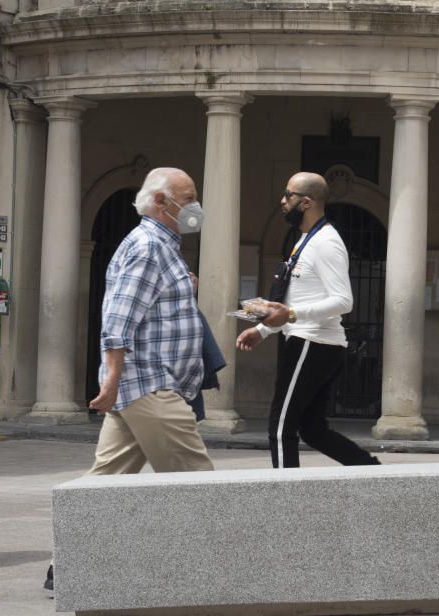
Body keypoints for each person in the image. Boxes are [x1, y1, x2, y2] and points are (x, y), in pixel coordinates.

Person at [44, 167, 214, 591]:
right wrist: (113, 379)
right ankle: (221, 567)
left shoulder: (161, 246)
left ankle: (63, 564)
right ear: (161, 202)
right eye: (187, 198)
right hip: (150, 385)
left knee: (108, 480)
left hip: (142, 385)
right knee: (203, 485)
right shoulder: (148, 247)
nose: (195, 207)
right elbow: (118, 320)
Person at [236, 172, 379, 469]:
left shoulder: (326, 242)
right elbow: (294, 301)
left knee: (280, 427)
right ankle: (370, 470)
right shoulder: (304, 240)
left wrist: (289, 314)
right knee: (312, 429)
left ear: (306, 201)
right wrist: (262, 329)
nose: (282, 201)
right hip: (313, 342)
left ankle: (286, 500)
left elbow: (344, 301)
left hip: (312, 343)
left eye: (288, 195)